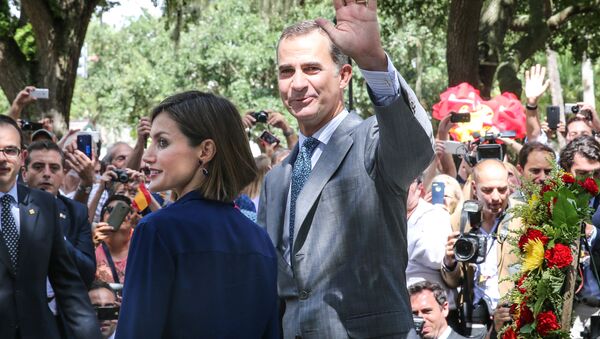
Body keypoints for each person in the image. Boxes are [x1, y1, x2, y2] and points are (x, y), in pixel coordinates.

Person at [257, 1, 434, 337]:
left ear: (344, 75)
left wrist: (374, 62)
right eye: (286, 71)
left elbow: (414, 150)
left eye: (311, 68)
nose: (296, 83)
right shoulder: (277, 180)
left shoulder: (371, 140)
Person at [115, 91, 278, 338]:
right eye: (150, 141)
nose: (147, 156)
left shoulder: (157, 231)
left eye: (162, 142)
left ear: (205, 150)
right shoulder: (259, 239)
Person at [0, 115, 100, 338]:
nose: (2, 159)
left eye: (10, 150)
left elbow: (67, 281)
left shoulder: (44, 205)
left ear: (21, 156)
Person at [441, 159, 520, 333]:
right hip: (475, 316)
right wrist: (450, 263)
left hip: (513, 316)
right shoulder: (460, 219)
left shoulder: (523, 217)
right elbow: (453, 281)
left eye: (502, 189)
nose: (496, 197)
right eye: (487, 190)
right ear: (475, 188)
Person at [559, 136, 600, 338]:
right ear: (566, 170)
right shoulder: (552, 202)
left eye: (597, 173)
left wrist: (593, 234)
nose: (591, 181)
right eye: (583, 174)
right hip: (571, 309)